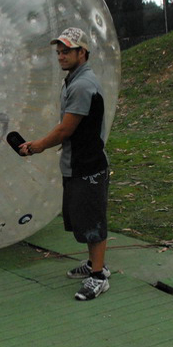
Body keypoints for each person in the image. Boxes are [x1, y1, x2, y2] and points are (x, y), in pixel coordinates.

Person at [19, 27, 111, 301]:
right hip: (76, 162)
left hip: (89, 166)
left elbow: (64, 129)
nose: (61, 56)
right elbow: (74, 128)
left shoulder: (82, 85)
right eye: (59, 51)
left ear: (82, 53)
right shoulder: (72, 80)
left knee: (93, 222)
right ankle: (94, 264)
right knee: (82, 220)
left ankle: (98, 276)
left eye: (67, 51)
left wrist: (37, 146)